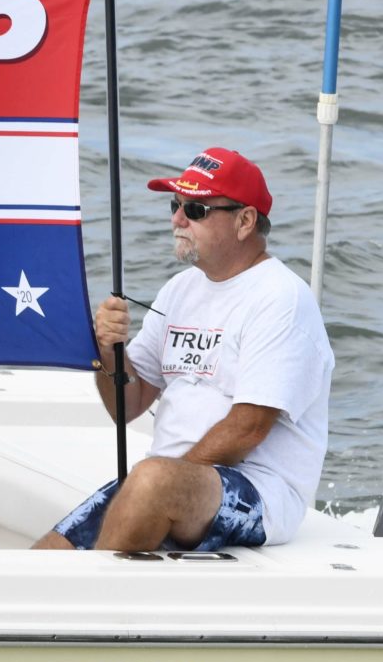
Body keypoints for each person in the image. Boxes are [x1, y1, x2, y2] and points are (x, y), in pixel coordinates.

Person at [35, 146, 332, 553]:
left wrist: (164, 484)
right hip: (168, 479)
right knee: (49, 554)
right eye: (176, 205)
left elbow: (249, 427)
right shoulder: (179, 289)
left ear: (245, 221)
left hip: (258, 493)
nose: (177, 220)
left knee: (151, 481)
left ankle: (93, 598)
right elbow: (127, 404)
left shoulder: (281, 298)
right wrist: (107, 351)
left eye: (196, 210)